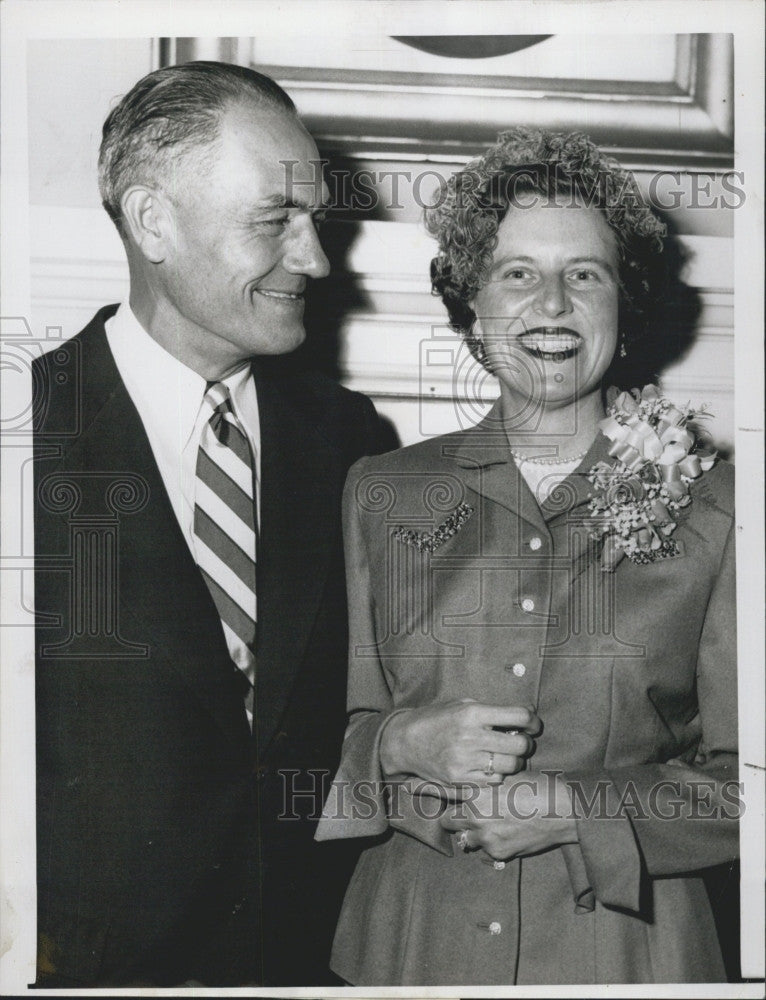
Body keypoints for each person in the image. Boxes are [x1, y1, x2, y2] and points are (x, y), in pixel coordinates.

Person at [316, 128, 738, 985]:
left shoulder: (724, 508)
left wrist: (579, 811)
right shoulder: (379, 491)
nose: (551, 303)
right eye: (517, 273)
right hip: (410, 949)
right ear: (473, 308)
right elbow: (319, 734)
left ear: (625, 306)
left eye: (585, 273)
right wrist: (397, 745)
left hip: (626, 955)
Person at [33, 60, 390, 987]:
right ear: (154, 220)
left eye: (314, 221)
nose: (314, 258)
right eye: (275, 222)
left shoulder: (348, 439)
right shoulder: (28, 438)